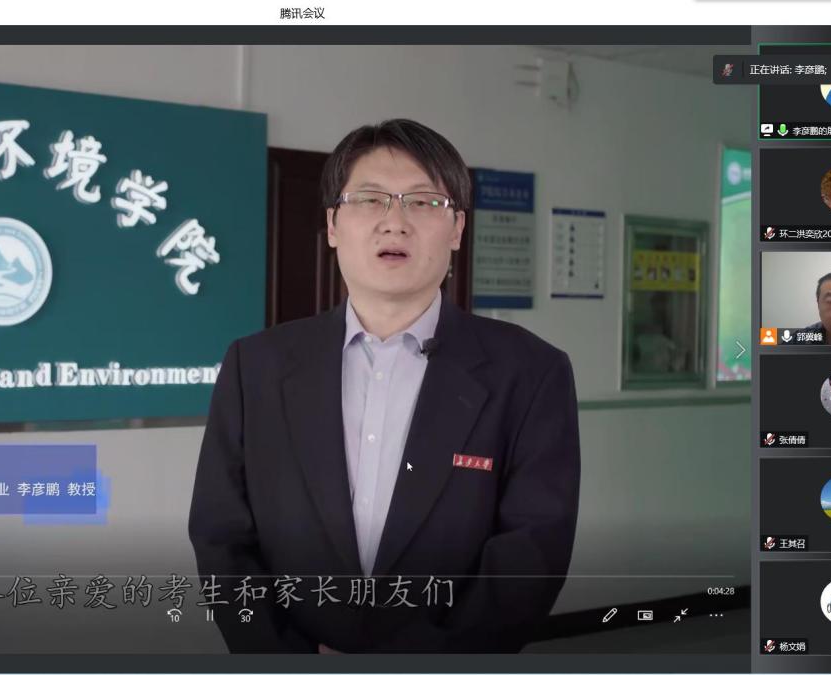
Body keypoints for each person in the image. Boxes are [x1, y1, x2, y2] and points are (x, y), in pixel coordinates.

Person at [188, 119, 580, 653]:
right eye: (370, 199)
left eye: (424, 202)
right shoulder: (255, 366)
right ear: (332, 224)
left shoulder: (531, 373)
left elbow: (531, 554)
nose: (394, 222)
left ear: (457, 229)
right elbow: (222, 538)